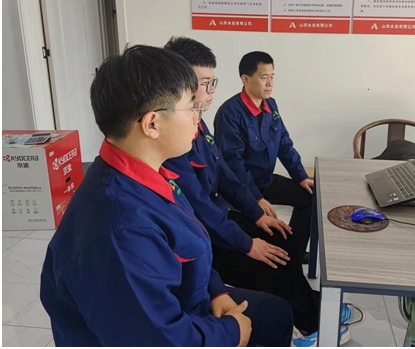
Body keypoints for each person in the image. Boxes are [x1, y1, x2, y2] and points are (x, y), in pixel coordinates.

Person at [40, 45, 293, 347]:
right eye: (191, 107)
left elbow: (190, 245)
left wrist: (217, 291)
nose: (198, 118)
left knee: (275, 313)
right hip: (167, 327)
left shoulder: (148, 174)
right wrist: (231, 332)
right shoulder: (121, 231)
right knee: (266, 316)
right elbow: (158, 339)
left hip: (187, 300)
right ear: (152, 124)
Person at [162, 37, 353, 344]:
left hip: (226, 214)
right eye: (204, 83)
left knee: (280, 239)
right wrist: (249, 242)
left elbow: (224, 172)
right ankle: (310, 325)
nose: (211, 91)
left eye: (212, 83)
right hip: (207, 234)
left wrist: (256, 213)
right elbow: (203, 204)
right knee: (275, 259)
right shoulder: (186, 134)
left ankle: (310, 307)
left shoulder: (200, 124)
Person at [213, 51, 313, 262]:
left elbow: (284, 144)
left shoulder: (271, 105)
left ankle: (294, 253)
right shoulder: (229, 113)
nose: (270, 83)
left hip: (266, 181)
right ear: (245, 79)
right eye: (264, 77)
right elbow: (233, 163)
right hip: (242, 188)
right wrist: (256, 199)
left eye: (272, 76)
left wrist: (301, 177)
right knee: (269, 228)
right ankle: (282, 255)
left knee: (310, 198)